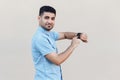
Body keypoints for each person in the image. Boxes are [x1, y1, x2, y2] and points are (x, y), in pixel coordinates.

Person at [32, 5, 88, 80]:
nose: (50, 21)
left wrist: (78, 34)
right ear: (39, 18)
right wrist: (72, 46)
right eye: (46, 18)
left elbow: (65, 35)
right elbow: (57, 60)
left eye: (52, 18)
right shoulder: (40, 38)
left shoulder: (49, 34)